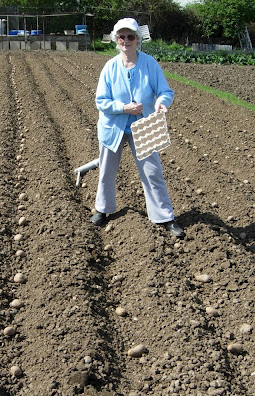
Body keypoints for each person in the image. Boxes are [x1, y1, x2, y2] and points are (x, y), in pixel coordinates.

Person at [91, 18, 184, 238]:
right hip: (113, 126)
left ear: (138, 39)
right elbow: (101, 101)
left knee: (153, 173)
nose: (126, 41)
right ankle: (103, 209)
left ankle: (165, 216)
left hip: (144, 125)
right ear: (116, 40)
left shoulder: (150, 64)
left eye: (130, 36)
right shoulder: (110, 67)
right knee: (107, 171)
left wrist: (162, 102)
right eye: (121, 37)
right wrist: (123, 107)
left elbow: (165, 91)